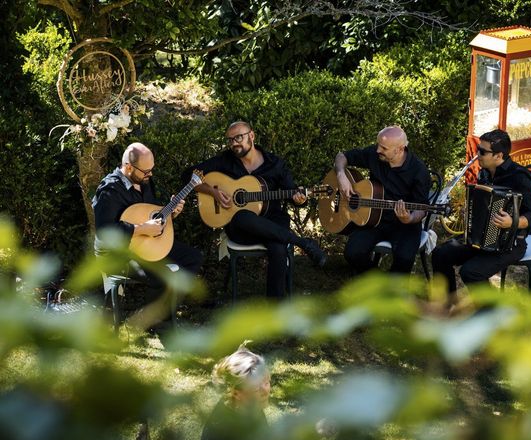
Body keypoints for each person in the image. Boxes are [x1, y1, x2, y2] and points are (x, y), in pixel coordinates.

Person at [185, 121, 326, 298]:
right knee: (242, 216)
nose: (234, 143)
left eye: (238, 137)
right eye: (230, 140)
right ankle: (303, 242)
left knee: (278, 248)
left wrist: (299, 200)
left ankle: (276, 309)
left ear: (251, 136)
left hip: (272, 221)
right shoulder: (225, 160)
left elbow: (294, 194)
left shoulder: (275, 164)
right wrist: (213, 192)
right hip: (242, 228)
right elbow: (188, 175)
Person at [92, 142, 203, 328]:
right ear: (128, 167)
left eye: (151, 170)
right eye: (146, 171)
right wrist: (140, 228)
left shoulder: (143, 181)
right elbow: (105, 232)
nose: (150, 175)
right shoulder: (109, 191)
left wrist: (172, 213)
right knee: (161, 275)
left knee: (193, 258)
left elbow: (150, 213)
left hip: (145, 243)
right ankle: (155, 321)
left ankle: (157, 315)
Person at [431, 129, 531, 296]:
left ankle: (490, 315)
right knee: (440, 254)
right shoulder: (484, 173)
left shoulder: (520, 177)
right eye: (477, 149)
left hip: (510, 243)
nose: (477, 154)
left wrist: (512, 222)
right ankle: (446, 307)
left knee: (470, 272)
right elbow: (481, 203)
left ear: (498, 155)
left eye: (482, 151)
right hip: (480, 238)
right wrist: (470, 210)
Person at [334, 126, 432, 273]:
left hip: (404, 225)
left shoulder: (419, 171)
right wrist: (341, 174)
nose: (378, 150)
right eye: (378, 145)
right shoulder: (375, 154)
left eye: (384, 148)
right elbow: (342, 156)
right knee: (353, 253)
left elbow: (422, 208)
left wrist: (409, 218)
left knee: (404, 259)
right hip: (374, 220)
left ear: (399, 149)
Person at [199, 342, 271, 440]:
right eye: (257, 388)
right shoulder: (224, 434)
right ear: (236, 392)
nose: (266, 391)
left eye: (267, 382)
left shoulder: (248, 408)